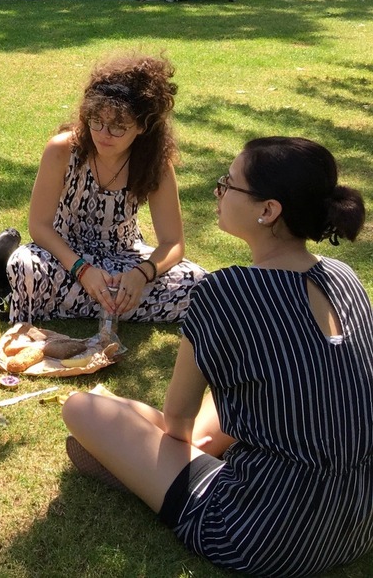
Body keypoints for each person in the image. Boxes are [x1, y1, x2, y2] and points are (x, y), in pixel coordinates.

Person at [62, 137, 373, 577]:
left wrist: (132, 426)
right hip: (358, 523)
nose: (218, 190)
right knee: (221, 404)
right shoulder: (343, 275)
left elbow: (176, 424)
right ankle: (151, 459)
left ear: (269, 210)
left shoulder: (225, 293)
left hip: (260, 535)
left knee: (82, 408)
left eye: (229, 184)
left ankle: (139, 471)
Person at [7, 54, 205, 324]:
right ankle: (112, 304)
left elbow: (173, 243)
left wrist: (141, 275)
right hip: (65, 253)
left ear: (142, 126)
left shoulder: (155, 163)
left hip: (124, 257)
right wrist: (82, 270)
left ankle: (91, 301)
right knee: (24, 266)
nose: (103, 133)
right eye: (96, 121)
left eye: (117, 127)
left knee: (199, 283)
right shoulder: (62, 149)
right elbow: (40, 226)